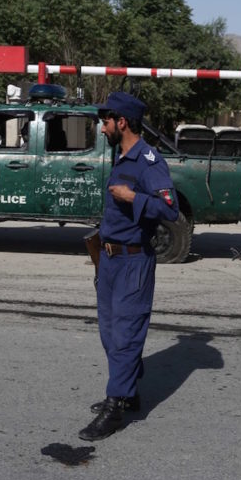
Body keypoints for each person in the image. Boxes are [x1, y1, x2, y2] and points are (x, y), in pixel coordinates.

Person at [78, 92, 179, 441]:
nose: (101, 127)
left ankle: (115, 404)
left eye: (105, 120)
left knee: (124, 336)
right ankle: (129, 389)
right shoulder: (121, 156)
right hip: (108, 260)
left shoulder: (149, 162)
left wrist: (132, 197)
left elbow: (170, 209)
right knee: (109, 333)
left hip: (133, 261)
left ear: (122, 122)